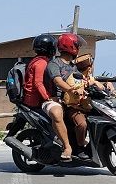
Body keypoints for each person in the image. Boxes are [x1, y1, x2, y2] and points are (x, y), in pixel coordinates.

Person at [22, 34, 77, 162]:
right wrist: (48, 98)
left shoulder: (39, 61)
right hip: (38, 101)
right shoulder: (42, 63)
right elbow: (38, 83)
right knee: (57, 113)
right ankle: (67, 146)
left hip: (38, 99)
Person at [45, 33, 87, 161]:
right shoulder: (54, 64)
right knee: (79, 123)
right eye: (76, 45)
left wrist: (100, 84)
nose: (78, 47)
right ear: (70, 46)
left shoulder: (73, 66)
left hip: (73, 101)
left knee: (84, 123)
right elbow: (57, 81)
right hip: (58, 100)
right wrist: (70, 90)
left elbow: (82, 79)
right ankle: (69, 147)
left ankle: (81, 145)